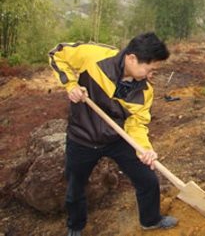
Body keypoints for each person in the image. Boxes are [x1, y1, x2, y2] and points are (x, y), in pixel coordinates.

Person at [48, 32, 178, 236]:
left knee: (148, 180)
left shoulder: (144, 91)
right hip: (82, 137)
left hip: (117, 139)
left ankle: (150, 220)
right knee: (75, 187)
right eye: (150, 68)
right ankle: (76, 226)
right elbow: (57, 53)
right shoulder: (95, 57)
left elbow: (137, 123)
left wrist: (144, 148)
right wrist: (71, 84)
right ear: (132, 58)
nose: (151, 74)